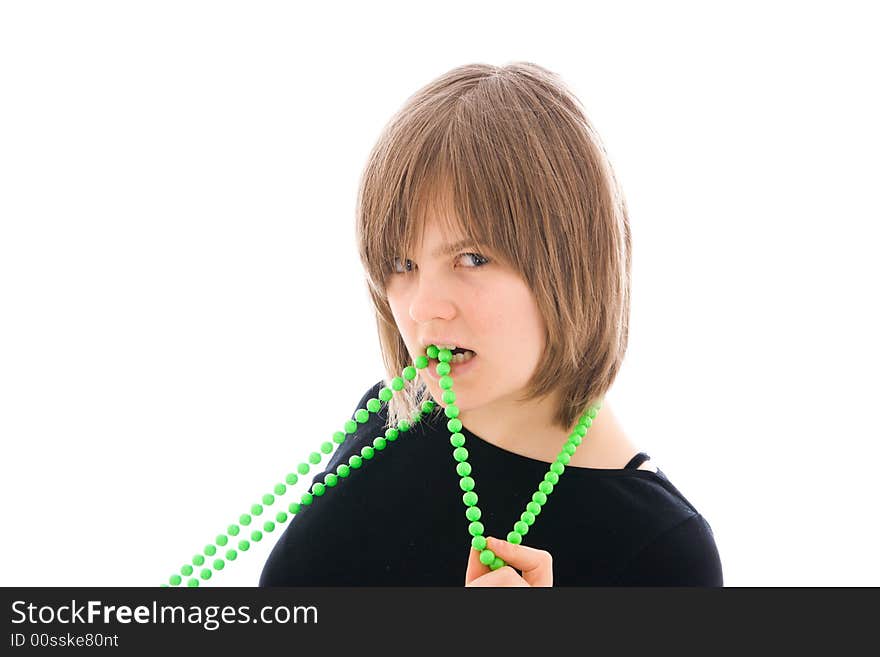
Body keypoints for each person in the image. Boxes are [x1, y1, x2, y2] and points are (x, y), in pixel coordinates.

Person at [259, 61, 723, 587]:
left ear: (571, 261)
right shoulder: (392, 416)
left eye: (472, 258)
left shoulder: (663, 554)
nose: (422, 308)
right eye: (402, 265)